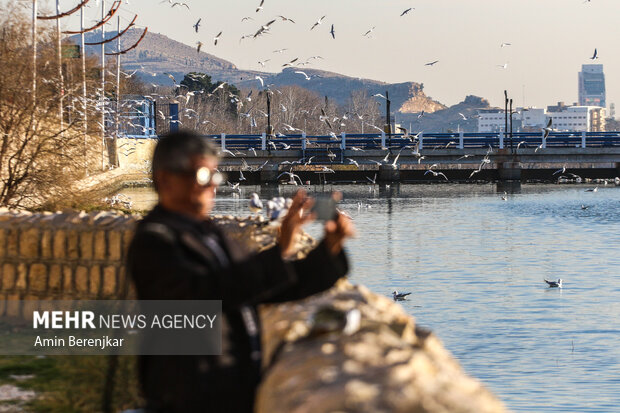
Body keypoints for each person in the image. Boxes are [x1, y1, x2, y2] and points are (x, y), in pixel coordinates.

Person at [126, 130, 355, 412]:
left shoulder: (210, 234)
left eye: (215, 176)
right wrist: (280, 248)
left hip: (231, 391)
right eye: (202, 176)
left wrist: (328, 249)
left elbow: (267, 286)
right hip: (187, 396)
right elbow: (207, 294)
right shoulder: (154, 240)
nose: (212, 186)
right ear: (166, 179)